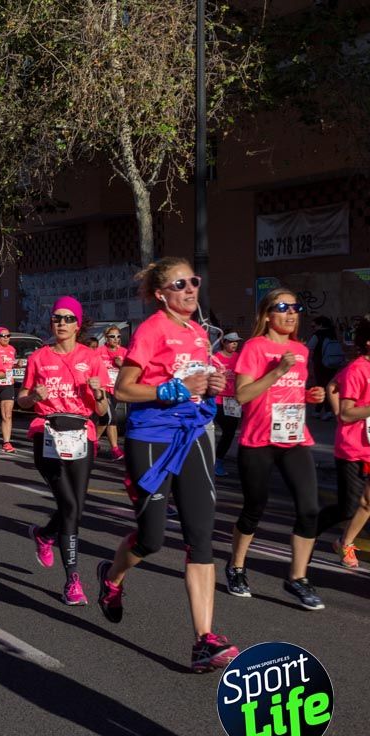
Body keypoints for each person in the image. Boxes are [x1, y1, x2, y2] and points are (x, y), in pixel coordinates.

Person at [97, 256, 238, 673]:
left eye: (193, 281)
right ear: (161, 294)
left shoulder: (198, 332)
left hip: (192, 434)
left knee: (201, 535)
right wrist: (174, 388)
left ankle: (204, 641)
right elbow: (123, 389)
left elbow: (194, 381)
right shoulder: (151, 329)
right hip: (152, 438)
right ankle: (112, 577)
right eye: (180, 285)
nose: (190, 289)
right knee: (152, 538)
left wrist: (210, 384)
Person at [225, 289, 327, 609]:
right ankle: (236, 567)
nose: (291, 312)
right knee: (254, 508)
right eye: (282, 307)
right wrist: (277, 371)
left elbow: (294, 392)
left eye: (296, 307)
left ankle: (297, 578)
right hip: (258, 440)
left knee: (309, 508)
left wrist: (311, 396)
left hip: (294, 438)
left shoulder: (300, 350)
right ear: (267, 314)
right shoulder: (254, 348)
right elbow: (242, 395)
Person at [17, 296, 110, 605]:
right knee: (69, 505)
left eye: (68, 318)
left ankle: (44, 535)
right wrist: (34, 397)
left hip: (83, 435)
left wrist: (98, 393)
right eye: (57, 317)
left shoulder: (92, 357)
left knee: (75, 507)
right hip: (47, 433)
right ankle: (73, 580)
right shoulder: (39, 358)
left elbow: (103, 408)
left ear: (78, 324)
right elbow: (22, 400)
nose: (61, 323)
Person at [320, 315, 370, 569]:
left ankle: (345, 542)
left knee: (368, 502)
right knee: (348, 507)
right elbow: (348, 412)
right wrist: (340, 414)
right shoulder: (358, 369)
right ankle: (309, 528)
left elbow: (331, 384)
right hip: (353, 447)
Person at [210, 331, 242, 476]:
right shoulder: (215, 358)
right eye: (231, 341)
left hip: (233, 401)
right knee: (210, 431)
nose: (234, 344)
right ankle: (207, 459)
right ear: (224, 342)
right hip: (217, 399)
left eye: (236, 341)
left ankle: (219, 460)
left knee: (229, 433)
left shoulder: (239, 358)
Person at [97, 325, 127, 460]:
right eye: (112, 336)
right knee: (111, 418)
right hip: (102, 389)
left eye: (118, 336)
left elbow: (131, 372)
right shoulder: (99, 351)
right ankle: (114, 449)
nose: (116, 339)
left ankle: (93, 442)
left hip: (116, 390)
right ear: (106, 338)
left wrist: (122, 365)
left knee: (107, 419)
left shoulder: (124, 352)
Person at [0, 327, 18, 453]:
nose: (6, 338)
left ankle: (6, 442)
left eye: (8, 335)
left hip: (7, 384)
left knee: (7, 415)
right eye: (3, 336)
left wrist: (17, 365)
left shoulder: (12, 350)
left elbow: (10, 365)